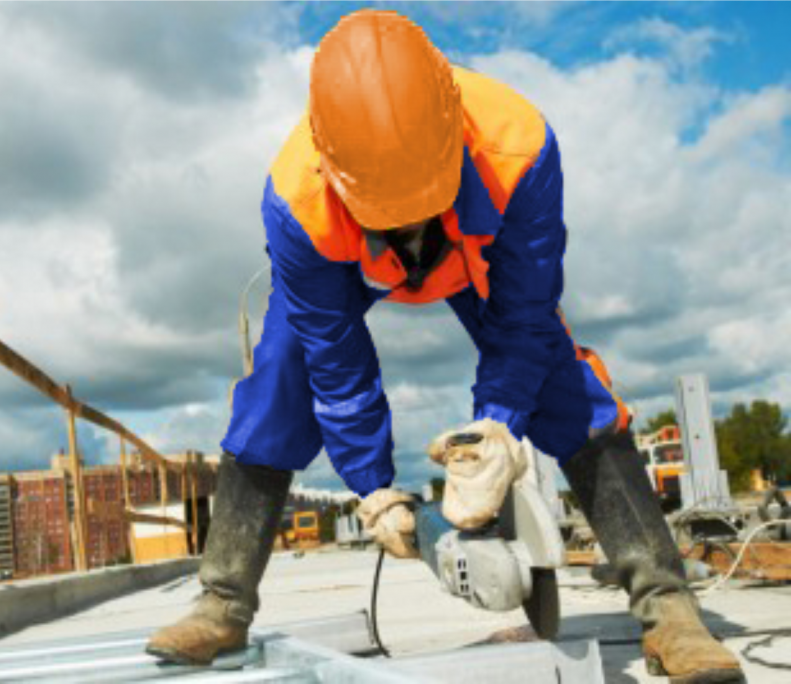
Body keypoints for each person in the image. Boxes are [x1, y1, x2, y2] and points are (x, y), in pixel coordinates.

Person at [147, 10, 744, 683]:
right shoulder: (296, 200)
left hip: (473, 252)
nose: (408, 224)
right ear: (334, 165)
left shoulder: (518, 146)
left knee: (561, 376)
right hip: (345, 261)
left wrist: (496, 430)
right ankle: (222, 601)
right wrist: (371, 488)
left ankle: (669, 610)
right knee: (281, 375)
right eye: (392, 212)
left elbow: (522, 316)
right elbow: (335, 361)